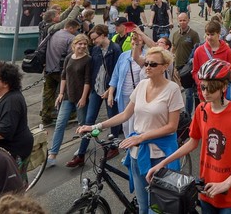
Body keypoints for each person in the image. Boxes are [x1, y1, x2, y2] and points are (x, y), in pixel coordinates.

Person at [77, 46, 183, 214]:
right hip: (137, 153)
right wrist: (95, 126)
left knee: (159, 207)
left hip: (160, 155)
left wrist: (141, 137)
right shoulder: (141, 85)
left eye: (153, 64)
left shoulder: (172, 90)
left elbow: (172, 126)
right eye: (146, 63)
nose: (147, 66)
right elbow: (125, 114)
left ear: (165, 66)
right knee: (142, 205)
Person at [146, 59, 231, 214]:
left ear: (224, 87)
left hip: (230, 193)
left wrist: (227, 183)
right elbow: (192, 142)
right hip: (207, 190)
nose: (206, 92)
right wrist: (162, 164)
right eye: (203, 86)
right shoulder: (201, 109)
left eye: (211, 88)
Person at [67, 24, 121, 168]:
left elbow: (117, 72)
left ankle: (114, 146)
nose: (93, 42)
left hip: (110, 90)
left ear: (103, 35)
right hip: (96, 90)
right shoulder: (96, 50)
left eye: (95, 39)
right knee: (89, 121)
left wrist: (111, 89)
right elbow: (94, 70)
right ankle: (81, 154)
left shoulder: (115, 49)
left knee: (112, 118)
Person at [47, 33, 91, 167]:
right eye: (80, 44)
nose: (82, 46)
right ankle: (53, 154)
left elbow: (87, 81)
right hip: (67, 96)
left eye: (85, 44)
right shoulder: (68, 58)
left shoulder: (88, 60)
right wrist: (60, 93)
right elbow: (64, 76)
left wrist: (84, 97)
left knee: (82, 124)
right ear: (74, 45)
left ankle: (82, 148)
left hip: (80, 97)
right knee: (60, 124)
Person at [107, 25, 146, 137]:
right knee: (125, 123)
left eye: (137, 39)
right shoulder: (123, 56)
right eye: (132, 39)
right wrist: (110, 93)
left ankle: (136, 147)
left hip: (138, 96)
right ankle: (128, 148)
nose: (134, 41)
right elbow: (115, 75)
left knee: (136, 123)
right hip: (123, 95)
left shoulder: (147, 55)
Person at [40, 19, 78, 128]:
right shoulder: (71, 38)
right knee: (66, 94)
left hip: (49, 68)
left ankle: (46, 116)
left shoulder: (53, 34)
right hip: (62, 71)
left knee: (48, 94)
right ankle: (68, 115)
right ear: (71, 27)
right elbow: (71, 57)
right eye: (75, 29)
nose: (75, 31)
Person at [192, 21, 231, 104]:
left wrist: (219, 84)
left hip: (220, 94)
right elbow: (195, 71)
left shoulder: (227, 51)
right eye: (207, 34)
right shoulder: (199, 51)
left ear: (218, 34)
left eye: (212, 34)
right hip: (204, 94)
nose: (209, 37)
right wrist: (202, 84)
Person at [172, 12, 201, 114]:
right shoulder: (175, 34)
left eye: (184, 20)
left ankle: (190, 115)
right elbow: (173, 49)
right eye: (180, 20)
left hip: (189, 68)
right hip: (178, 67)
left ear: (188, 20)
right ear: (178, 21)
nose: (182, 22)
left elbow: (198, 50)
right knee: (180, 93)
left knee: (189, 93)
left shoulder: (193, 34)